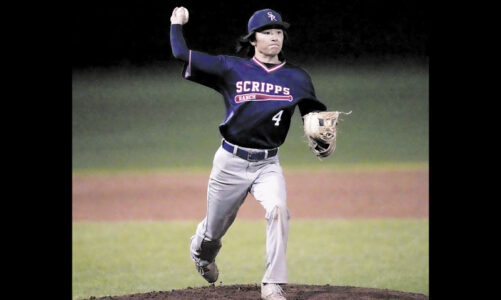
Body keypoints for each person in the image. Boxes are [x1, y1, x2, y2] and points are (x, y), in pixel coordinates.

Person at [170, 7, 328, 300]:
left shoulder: (298, 77)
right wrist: (176, 24)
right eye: (267, 32)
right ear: (253, 39)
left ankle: (273, 284)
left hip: (268, 164)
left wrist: (322, 138)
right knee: (213, 232)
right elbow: (181, 53)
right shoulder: (231, 68)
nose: (274, 37)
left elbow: (313, 113)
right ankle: (202, 253)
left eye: (278, 32)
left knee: (279, 209)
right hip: (230, 162)